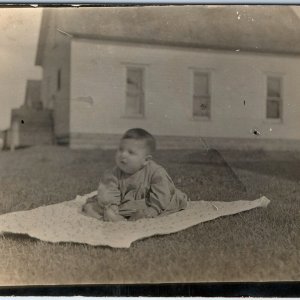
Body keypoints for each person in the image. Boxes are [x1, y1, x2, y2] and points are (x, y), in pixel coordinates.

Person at [82, 128, 188, 222]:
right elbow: (109, 190)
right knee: (90, 207)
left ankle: (131, 217)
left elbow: (162, 194)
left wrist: (153, 209)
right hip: (122, 205)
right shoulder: (113, 173)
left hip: (148, 201)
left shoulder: (156, 172)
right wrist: (112, 206)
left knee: (168, 203)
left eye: (130, 152)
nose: (123, 154)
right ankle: (114, 218)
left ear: (145, 160)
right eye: (121, 149)